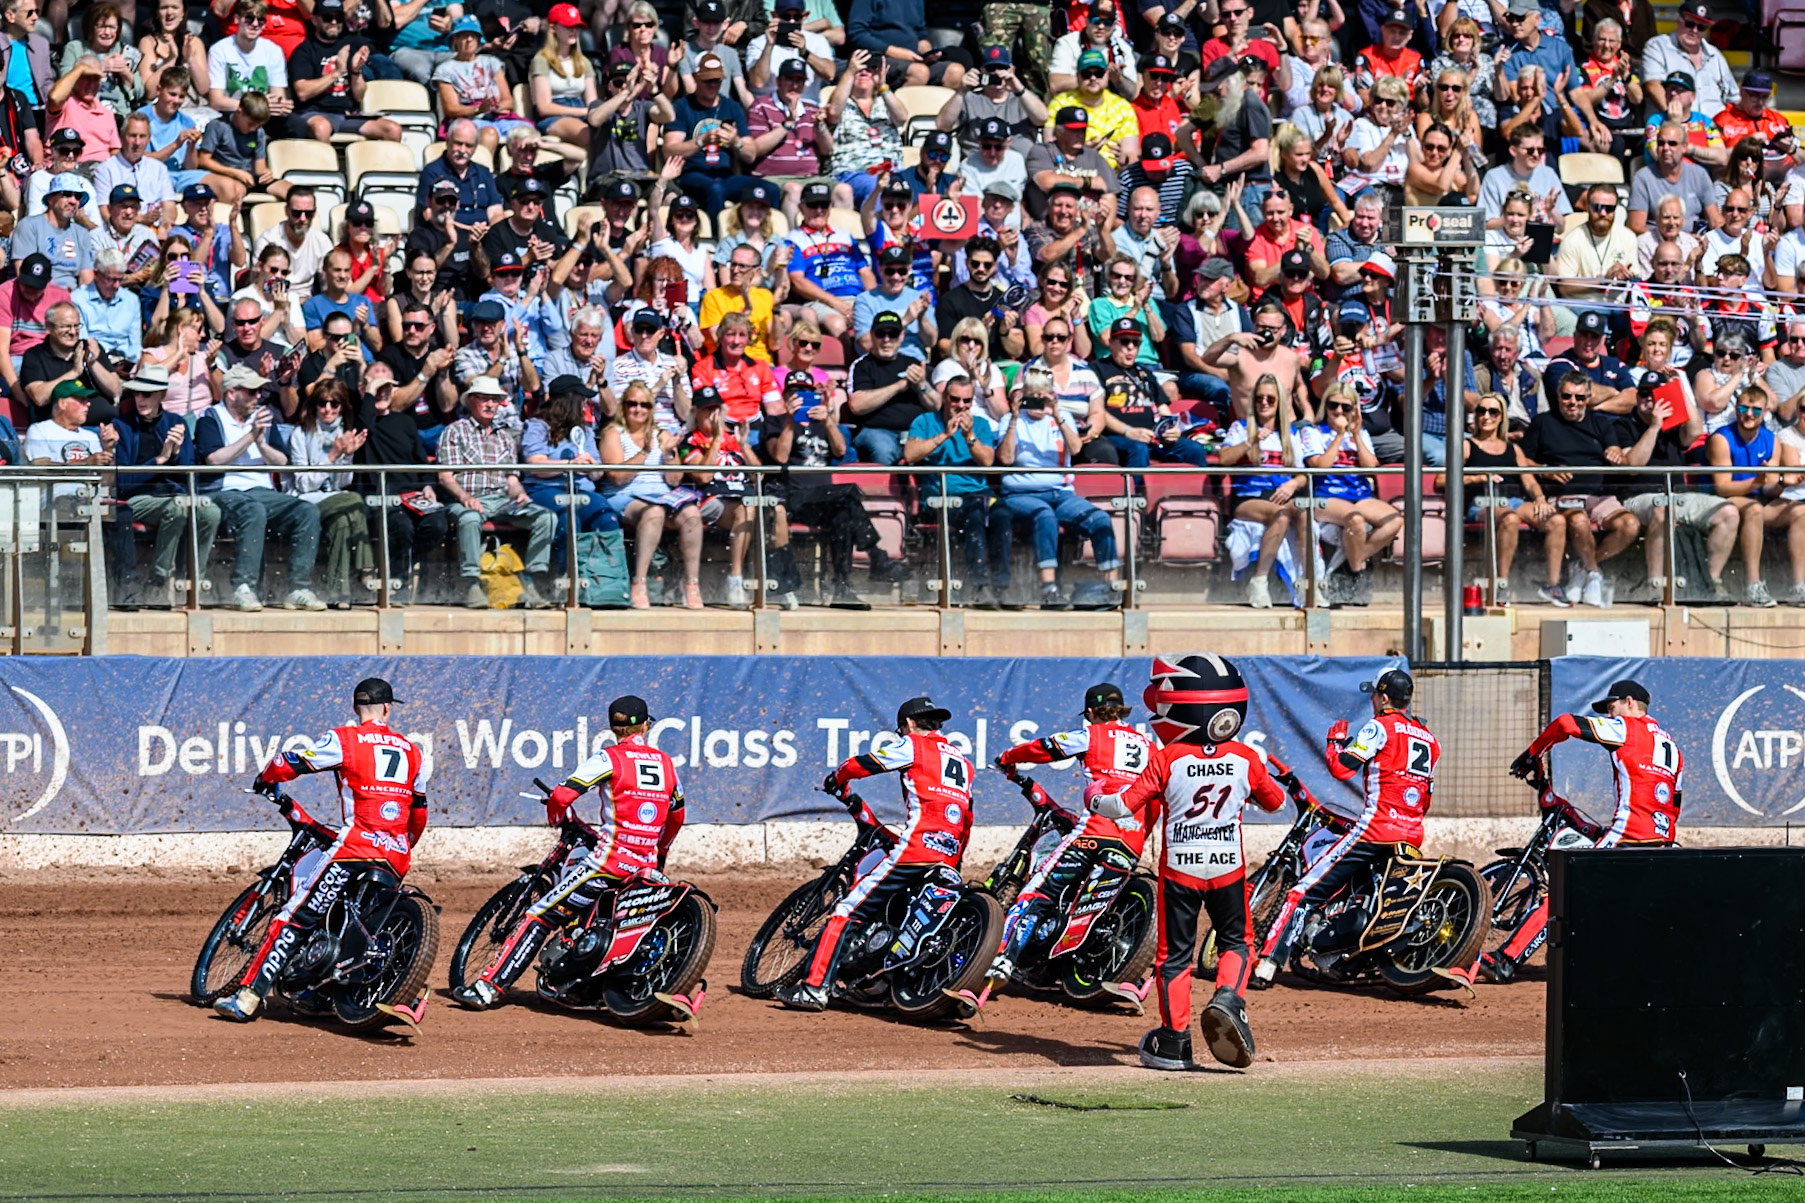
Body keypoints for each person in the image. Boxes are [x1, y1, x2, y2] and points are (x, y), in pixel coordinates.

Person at [1094, 655, 1286, 1069]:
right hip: (1227, 867)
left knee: (1173, 957)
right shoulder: (1246, 758)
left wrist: (1092, 795)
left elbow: (1121, 805)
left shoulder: (1167, 758)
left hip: (1179, 868)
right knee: (1237, 942)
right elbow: (1276, 803)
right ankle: (1228, 998)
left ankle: (1174, 1042)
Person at [452, 693, 685, 1010]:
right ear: (645, 725)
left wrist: (555, 815)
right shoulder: (667, 765)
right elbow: (676, 817)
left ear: (614, 728)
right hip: (645, 869)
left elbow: (562, 796)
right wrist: (659, 853)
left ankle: (486, 989)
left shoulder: (609, 758)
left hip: (608, 866)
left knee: (539, 915)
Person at [215, 677, 426, 1023]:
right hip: (397, 855)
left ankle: (248, 997)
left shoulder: (345, 739)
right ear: (388, 708)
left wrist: (267, 777)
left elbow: (290, 764)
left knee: (294, 917)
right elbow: (418, 815)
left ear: (357, 708)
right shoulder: (413, 752)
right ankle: (324, 990)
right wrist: (400, 845)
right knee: (366, 922)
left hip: (355, 847)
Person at [1446, 680, 1683, 986]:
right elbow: (1674, 805)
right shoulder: (1674, 750)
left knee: (1561, 896)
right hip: (1662, 845)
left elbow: (1566, 724)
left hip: (1627, 837)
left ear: (1629, 703)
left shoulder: (1628, 728)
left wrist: (1533, 753)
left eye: (1612, 708)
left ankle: (1504, 961)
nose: (1610, 716)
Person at [962, 681, 1155, 1011]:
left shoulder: (1091, 735)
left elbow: (1043, 748)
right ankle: (1131, 974)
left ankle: (1001, 962)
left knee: (1036, 894)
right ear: (1122, 710)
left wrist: (1008, 759)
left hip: (1094, 833)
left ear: (1091, 712)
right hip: (1132, 842)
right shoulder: (1150, 748)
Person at [776, 695, 975, 1011]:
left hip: (915, 849)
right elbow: (967, 818)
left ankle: (813, 989)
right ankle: (880, 983)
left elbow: (861, 765)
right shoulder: (964, 764)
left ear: (908, 725)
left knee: (846, 910)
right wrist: (955, 859)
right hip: (948, 855)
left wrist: (836, 779)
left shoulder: (913, 745)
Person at [1253, 668, 1437, 984]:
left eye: (1374, 695)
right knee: (1370, 892)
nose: (1372, 700)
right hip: (1413, 832)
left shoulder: (1380, 726)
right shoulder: (1431, 740)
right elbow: (1426, 800)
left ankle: (1269, 963)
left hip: (1375, 829)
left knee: (1301, 892)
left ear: (1383, 697)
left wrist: (1334, 742)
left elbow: (1340, 769)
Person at [195, 366, 325, 612]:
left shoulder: (264, 418)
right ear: (231, 392)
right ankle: (243, 587)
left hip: (263, 491)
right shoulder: (210, 418)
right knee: (252, 510)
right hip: (225, 491)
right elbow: (213, 460)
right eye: (251, 392)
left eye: (259, 392)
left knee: (306, 511)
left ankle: (298, 588)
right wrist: (250, 437)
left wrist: (262, 442)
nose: (258, 397)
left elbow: (283, 462)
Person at [991, 384, 1119, 609]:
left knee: (1100, 519)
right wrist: (1013, 418)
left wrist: (1057, 414)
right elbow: (1006, 458)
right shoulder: (1011, 420)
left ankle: (1112, 588)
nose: (1038, 402)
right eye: (1033, 397)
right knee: (1045, 515)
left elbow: (1076, 448)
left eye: (1043, 397)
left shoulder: (1062, 417)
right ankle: (1049, 589)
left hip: (1060, 493)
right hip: (1021, 493)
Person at [1521, 372, 1642, 607]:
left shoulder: (1600, 423)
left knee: (1630, 525)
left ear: (1588, 398)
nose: (1572, 403)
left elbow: (1616, 450)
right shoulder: (1543, 423)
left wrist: (1615, 454)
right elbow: (1521, 460)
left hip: (1599, 496)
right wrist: (1544, 469)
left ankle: (1583, 567)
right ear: (1558, 396)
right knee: (1577, 520)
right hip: (1562, 496)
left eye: (1578, 397)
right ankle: (1594, 575)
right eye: (1566, 396)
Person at [437, 382, 556, 610]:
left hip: (502, 500)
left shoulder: (505, 437)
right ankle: (471, 583)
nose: (490, 404)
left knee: (545, 517)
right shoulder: (454, 431)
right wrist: (465, 498)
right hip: (466, 498)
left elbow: (511, 480)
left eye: (494, 400)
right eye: (484, 398)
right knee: (469, 518)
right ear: (471, 400)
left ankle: (529, 581)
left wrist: (521, 495)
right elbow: (445, 477)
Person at [111, 366, 219, 608]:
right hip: (137, 499)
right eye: (137, 394)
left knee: (211, 512)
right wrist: (159, 459)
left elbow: (191, 476)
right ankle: (158, 582)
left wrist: (178, 452)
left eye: (147, 394)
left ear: (161, 395)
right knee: (179, 507)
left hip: (173, 495)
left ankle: (195, 582)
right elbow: (123, 483)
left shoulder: (176, 422)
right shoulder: (122, 425)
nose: (140, 399)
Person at [599, 380, 706, 610]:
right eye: (632, 404)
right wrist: (645, 452)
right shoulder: (613, 434)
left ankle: (692, 583)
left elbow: (674, 480)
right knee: (654, 513)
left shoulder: (661, 434)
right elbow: (617, 478)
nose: (638, 409)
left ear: (651, 408)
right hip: (624, 496)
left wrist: (668, 455)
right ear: (623, 407)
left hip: (661, 495)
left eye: (644, 405)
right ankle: (639, 582)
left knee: (691, 514)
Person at [902, 373, 1005, 606]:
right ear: (944, 397)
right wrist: (944, 435)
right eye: (955, 399)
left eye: (967, 401)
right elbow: (909, 455)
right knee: (976, 513)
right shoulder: (925, 421)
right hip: (939, 497)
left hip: (977, 494)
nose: (961, 405)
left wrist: (969, 436)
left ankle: (1002, 587)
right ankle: (980, 586)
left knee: (1003, 513)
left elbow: (988, 461)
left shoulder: (980, 424)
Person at [1708, 387, 1802, 607]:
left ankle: (1799, 586)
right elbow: (1722, 488)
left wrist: (1780, 483)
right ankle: (1753, 585)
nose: (1749, 414)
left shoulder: (1772, 440)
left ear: (1766, 412)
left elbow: (1768, 489)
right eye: (1743, 408)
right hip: (1722, 503)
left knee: (1800, 511)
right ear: (1736, 408)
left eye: (1756, 410)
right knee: (1754, 509)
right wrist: (1757, 481)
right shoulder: (1721, 439)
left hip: (1758, 498)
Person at [285, 380, 374, 608]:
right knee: (354, 500)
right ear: (314, 405)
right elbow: (304, 484)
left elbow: (343, 482)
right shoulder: (301, 433)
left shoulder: (345, 432)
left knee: (343, 522)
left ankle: (339, 594)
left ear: (342, 406)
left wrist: (347, 457)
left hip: (333, 499)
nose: (328, 409)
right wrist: (333, 457)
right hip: (304, 501)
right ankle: (366, 566)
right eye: (322, 403)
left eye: (334, 404)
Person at [286, 0, 405, 144]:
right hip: (314, 113)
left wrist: (356, 72)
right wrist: (336, 73)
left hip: (346, 114)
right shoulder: (304, 51)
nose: (334, 22)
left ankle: (378, 167)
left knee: (392, 129)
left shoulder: (351, 45)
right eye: (328, 18)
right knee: (321, 127)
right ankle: (327, 167)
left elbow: (360, 96)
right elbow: (302, 92)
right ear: (314, 20)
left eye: (339, 18)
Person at [846, 0, 968, 90]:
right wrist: (894, 52)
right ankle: (900, 120)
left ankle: (938, 122)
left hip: (913, 58)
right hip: (878, 57)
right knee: (919, 72)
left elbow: (920, 32)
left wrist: (926, 49)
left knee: (955, 72)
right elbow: (856, 33)